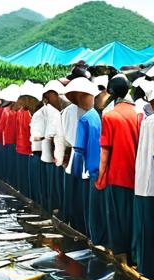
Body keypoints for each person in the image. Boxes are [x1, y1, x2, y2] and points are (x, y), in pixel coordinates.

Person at [96, 75, 141, 260]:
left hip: (117, 173)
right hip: (135, 172)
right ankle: (132, 254)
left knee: (115, 216)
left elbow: (105, 151)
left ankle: (120, 254)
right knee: (131, 214)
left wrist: (100, 176)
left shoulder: (110, 116)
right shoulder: (138, 113)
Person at [131, 82, 154, 280]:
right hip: (152, 184)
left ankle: (145, 267)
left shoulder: (147, 120)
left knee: (145, 230)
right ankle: (150, 270)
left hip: (143, 183)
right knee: (151, 231)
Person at [72, 83, 106, 247]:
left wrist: (75, 175)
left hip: (90, 169)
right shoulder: (96, 117)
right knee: (98, 209)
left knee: (91, 211)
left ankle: (94, 240)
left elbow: (78, 150)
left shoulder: (85, 119)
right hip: (99, 167)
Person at [61, 78, 89, 231]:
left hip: (73, 155)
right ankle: (82, 226)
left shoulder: (66, 112)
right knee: (82, 194)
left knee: (72, 193)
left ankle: (72, 223)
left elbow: (64, 136)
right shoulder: (90, 112)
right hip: (85, 156)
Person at [38, 82, 66, 216]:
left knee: (58, 185)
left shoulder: (63, 109)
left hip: (61, 153)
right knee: (55, 185)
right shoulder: (49, 110)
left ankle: (57, 209)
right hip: (53, 152)